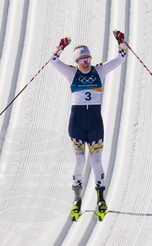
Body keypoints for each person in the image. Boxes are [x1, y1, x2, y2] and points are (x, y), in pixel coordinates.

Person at [51, 30, 127, 220]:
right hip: (76, 125)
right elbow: (53, 61)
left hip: (95, 124)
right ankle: (77, 199)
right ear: (76, 62)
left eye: (88, 58)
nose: (85, 62)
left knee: (96, 162)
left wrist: (121, 42)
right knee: (79, 161)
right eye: (82, 59)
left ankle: (101, 198)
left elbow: (120, 59)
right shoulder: (71, 73)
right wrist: (60, 48)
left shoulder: (99, 71)